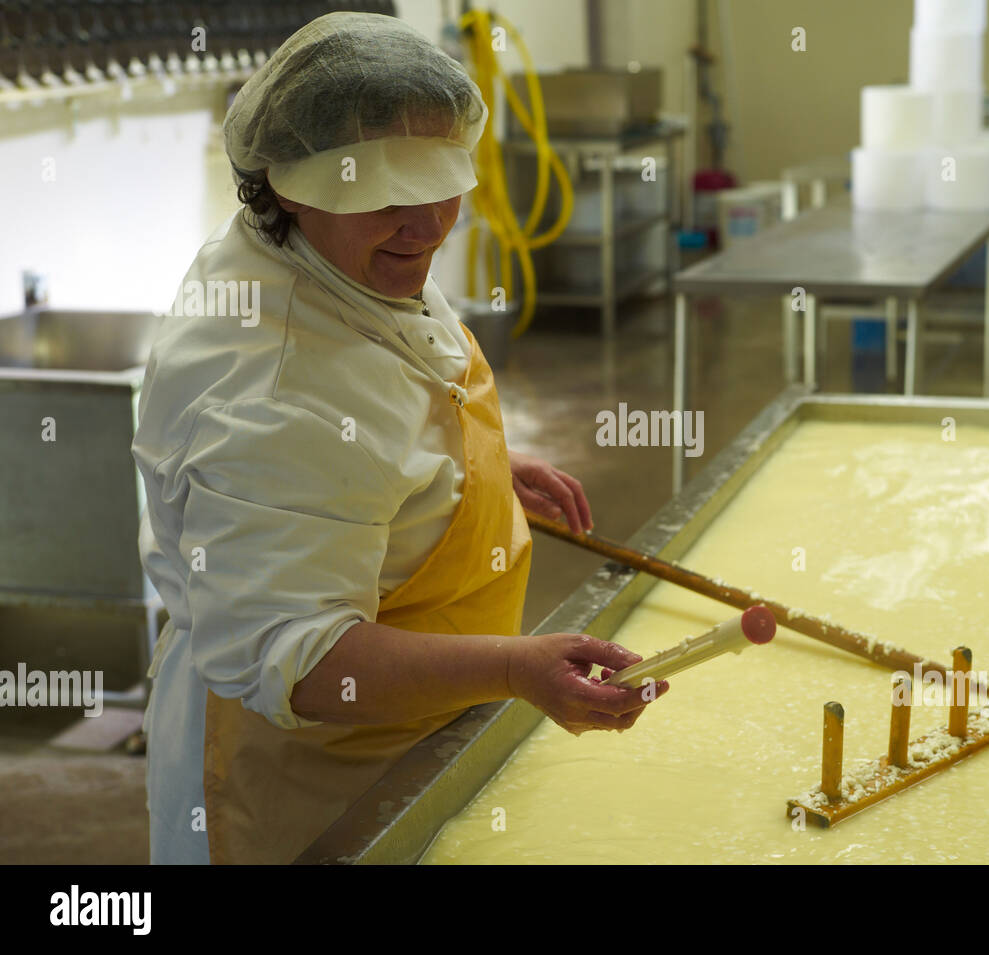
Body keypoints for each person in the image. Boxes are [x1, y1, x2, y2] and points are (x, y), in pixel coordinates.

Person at [131, 11, 666, 865]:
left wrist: (463, 473)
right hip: (309, 784)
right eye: (385, 196)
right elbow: (300, 662)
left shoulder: (325, 253)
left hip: (404, 739)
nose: (427, 227)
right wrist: (517, 667)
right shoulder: (273, 394)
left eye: (441, 183)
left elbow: (392, 394)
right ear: (290, 184)